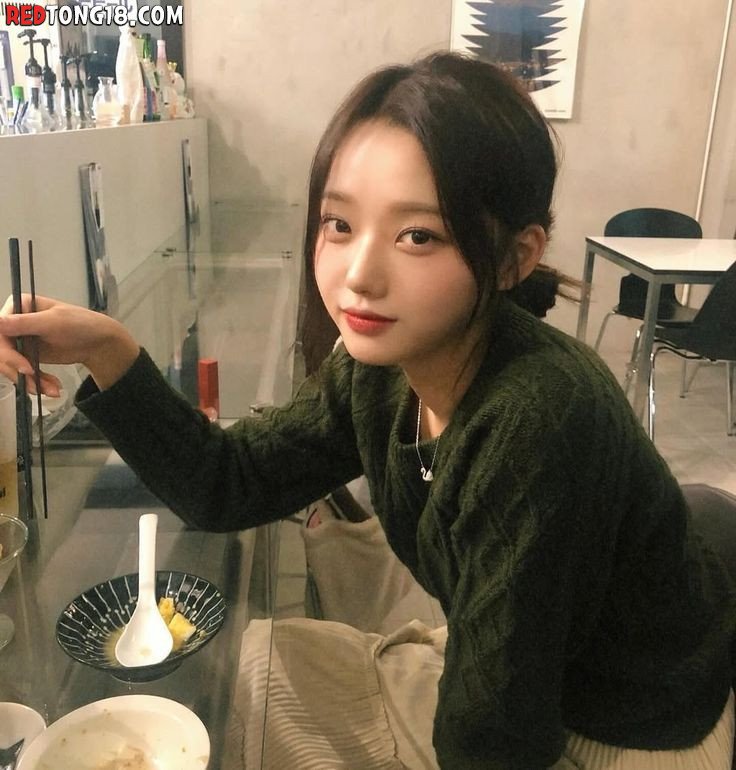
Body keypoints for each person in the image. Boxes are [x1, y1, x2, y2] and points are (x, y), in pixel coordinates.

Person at [1, 51, 734, 769]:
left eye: (418, 235)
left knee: (262, 703)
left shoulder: (537, 416)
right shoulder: (378, 370)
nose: (358, 275)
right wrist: (107, 348)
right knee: (257, 668)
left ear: (516, 257)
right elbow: (231, 481)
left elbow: (496, 742)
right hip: (529, 683)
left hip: (621, 727)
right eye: (340, 224)